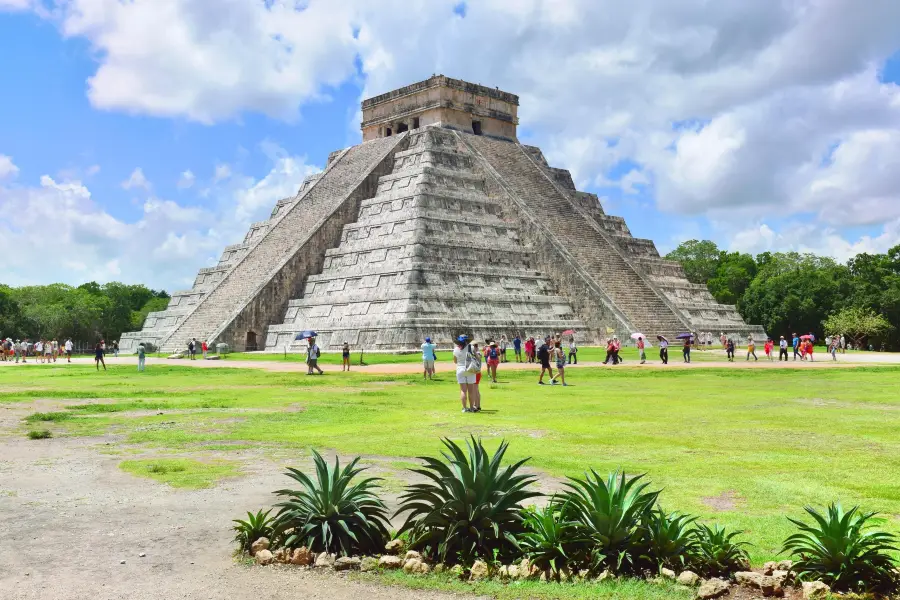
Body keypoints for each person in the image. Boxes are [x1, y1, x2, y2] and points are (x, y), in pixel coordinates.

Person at [453, 335, 477, 413]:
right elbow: (477, 357)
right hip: (469, 368)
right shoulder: (471, 347)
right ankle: (472, 408)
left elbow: (455, 361)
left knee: (463, 390)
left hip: (460, 369)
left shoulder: (456, 349)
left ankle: (464, 408)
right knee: (471, 390)